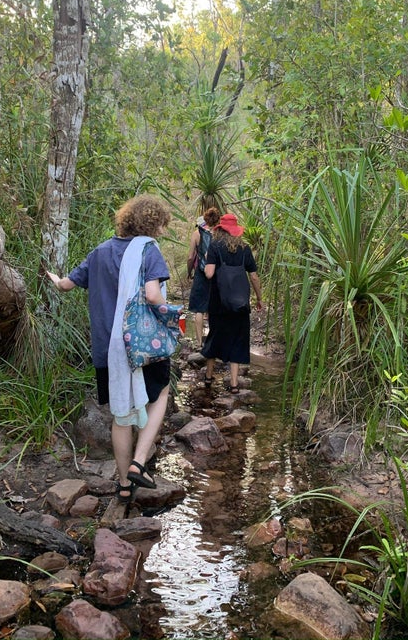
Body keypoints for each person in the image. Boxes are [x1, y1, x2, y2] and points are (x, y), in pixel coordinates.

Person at [46, 194, 173, 503]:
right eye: (162, 224)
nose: (162, 231)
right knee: (161, 393)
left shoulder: (100, 251)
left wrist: (54, 278)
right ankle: (139, 462)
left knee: (121, 414)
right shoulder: (149, 250)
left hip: (107, 348)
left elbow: (65, 285)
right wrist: (172, 313)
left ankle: (124, 485)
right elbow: (153, 294)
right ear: (152, 224)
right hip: (141, 345)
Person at [201, 213, 262, 393]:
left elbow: (209, 274)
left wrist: (207, 258)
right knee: (237, 339)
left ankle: (208, 377)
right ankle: (234, 384)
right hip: (240, 303)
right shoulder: (245, 249)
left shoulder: (214, 246)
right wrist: (259, 298)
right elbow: (254, 277)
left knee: (215, 336)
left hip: (218, 302)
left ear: (220, 229)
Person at [186, 207, 221, 349]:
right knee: (214, 307)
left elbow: (190, 257)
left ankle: (199, 343)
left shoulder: (197, 234)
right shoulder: (220, 234)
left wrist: (189, 272)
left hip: (200, 273)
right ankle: (213, 342)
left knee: (199, 309)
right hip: (216, 273)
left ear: (205, 219)